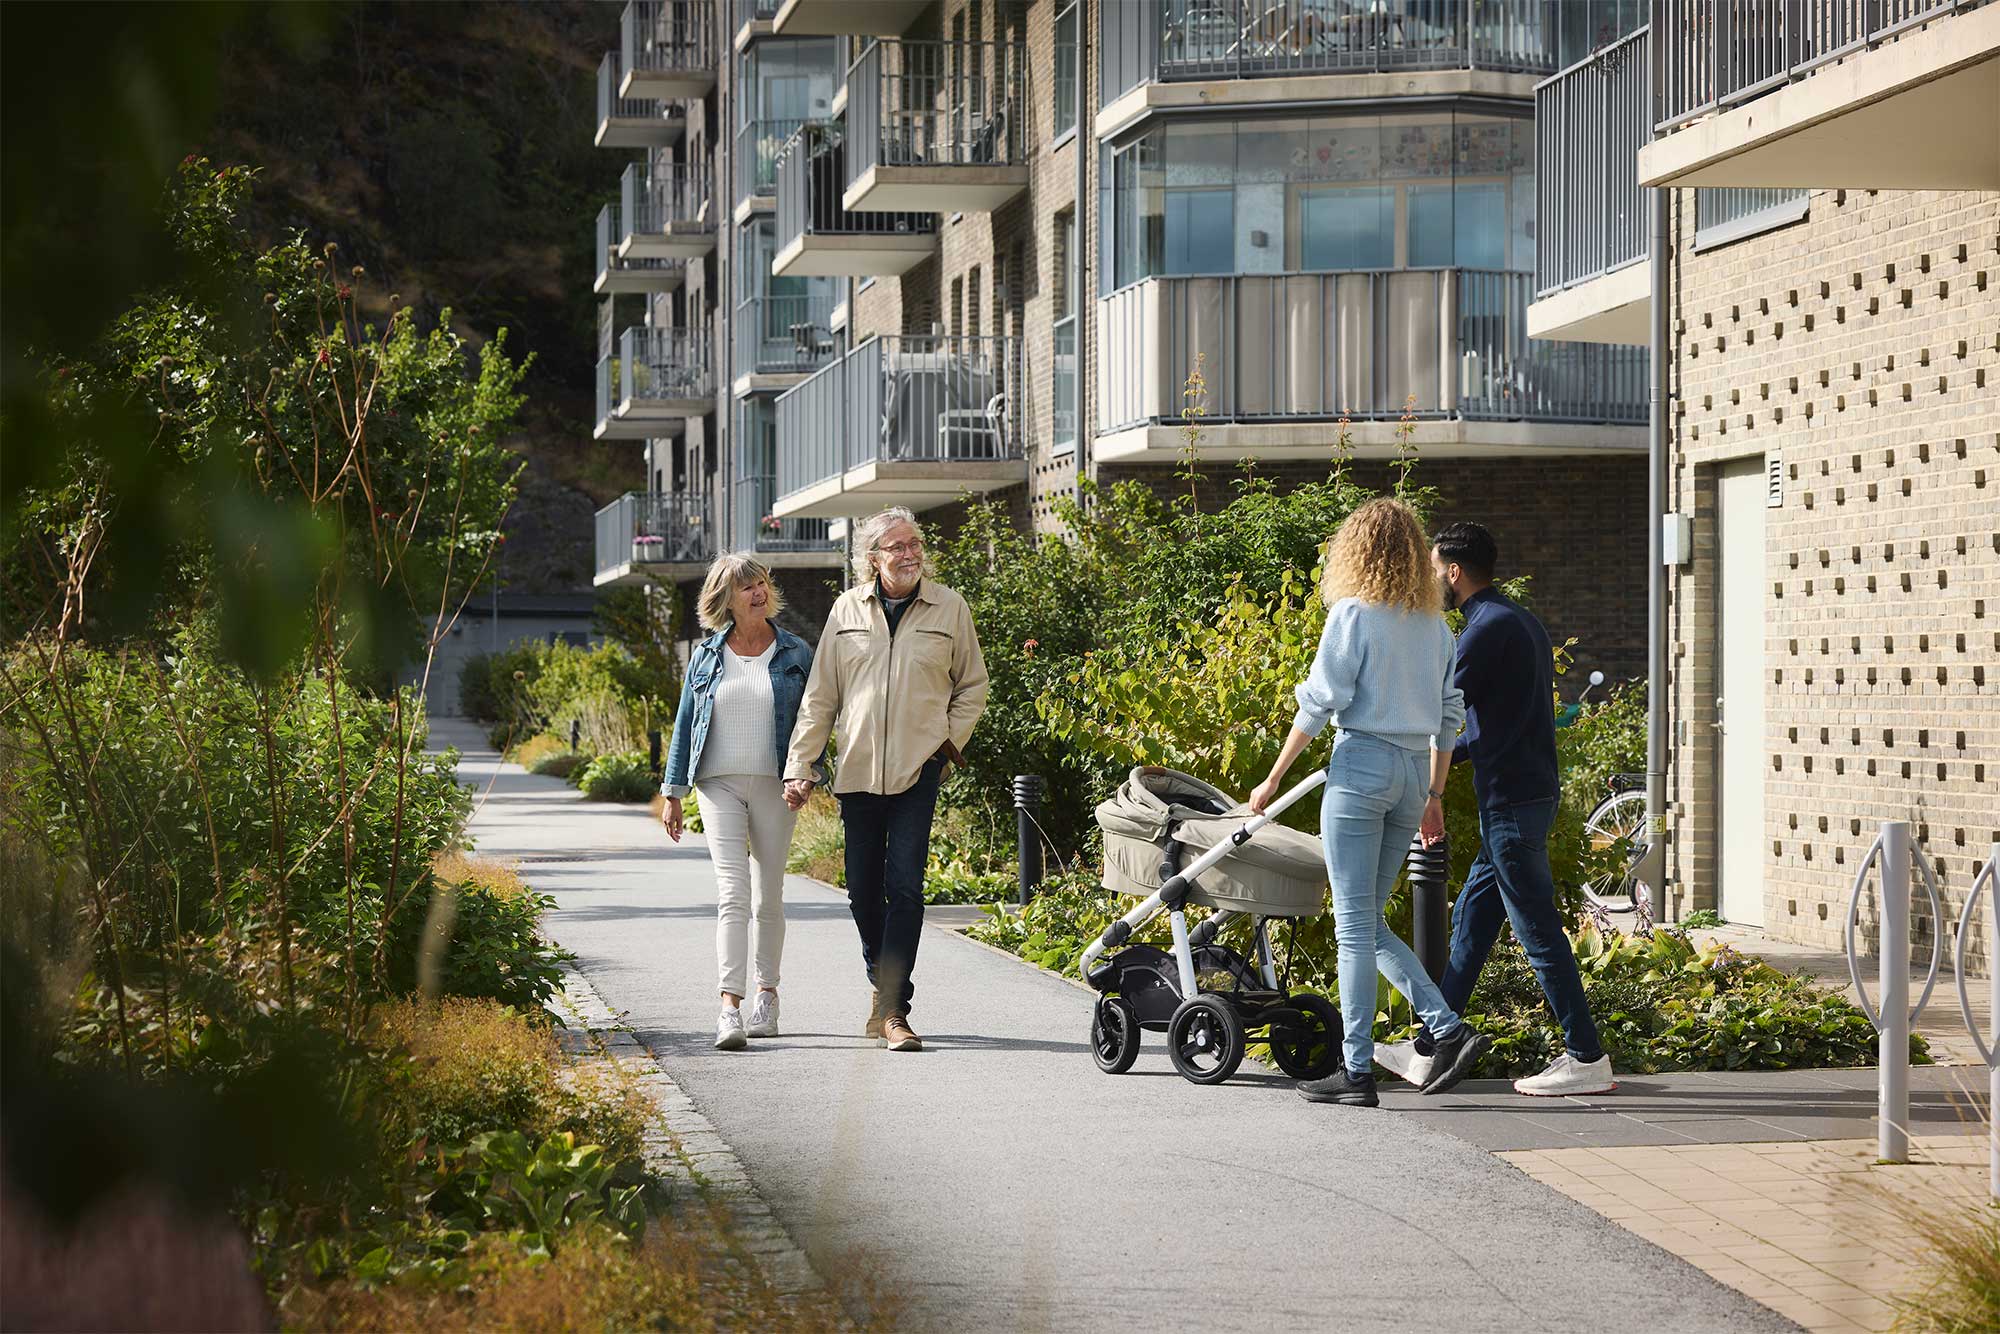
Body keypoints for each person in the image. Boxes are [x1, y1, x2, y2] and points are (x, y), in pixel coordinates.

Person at [1249, 499, 1491, 1107]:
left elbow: (1320, 701)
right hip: (1413, 774)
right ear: (1414, 555)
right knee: (1370, 921)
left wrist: (1272, 780)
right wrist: (1434, 793)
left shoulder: (1353, 614)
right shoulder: (1436, 628)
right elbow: (1449, 717)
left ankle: (1358, 1071)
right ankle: (1444, 1027)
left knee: (1353, 926)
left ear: (1357, 552)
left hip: (1361, 768)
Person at [1382, 522, 1617, 1097]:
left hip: (1511, 801)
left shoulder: (1483, 632)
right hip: (1523, 793)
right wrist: (1455, 763)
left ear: (1454, 573)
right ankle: (1430, 1049)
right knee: (1471, 924)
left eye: (1434, 570)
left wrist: (1428, 792)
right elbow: (1497, 728)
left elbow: (1441, 715)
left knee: (1537, 931)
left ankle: (1585, 1056)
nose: (1430, 581)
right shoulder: (1519, 622)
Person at [783, 507, 988, 1053]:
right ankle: (885, 987)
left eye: (913, 543)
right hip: (855, 767)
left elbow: (972, 686)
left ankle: (894, 1009)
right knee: (862, 891)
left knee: (905, 888)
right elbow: (821, 696)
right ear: (872, 558)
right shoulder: (846, 610)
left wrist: (945, 747)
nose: (908, 553)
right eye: (895, 546)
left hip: (918, 770)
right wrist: (800, 766)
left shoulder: (949, 607)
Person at [662, 553, 820, 1052]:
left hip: (776, 784)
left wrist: (806, 774)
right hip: (717, 784)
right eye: (746, 586)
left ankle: (766, 996)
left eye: (762, 583)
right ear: (725, 598)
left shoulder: (796, 651)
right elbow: (686, 722)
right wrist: (672, 792)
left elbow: (815, 720)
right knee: (732, 893)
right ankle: (728, 1007)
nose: (758, 592)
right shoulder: (707, 656)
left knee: (767, 894)